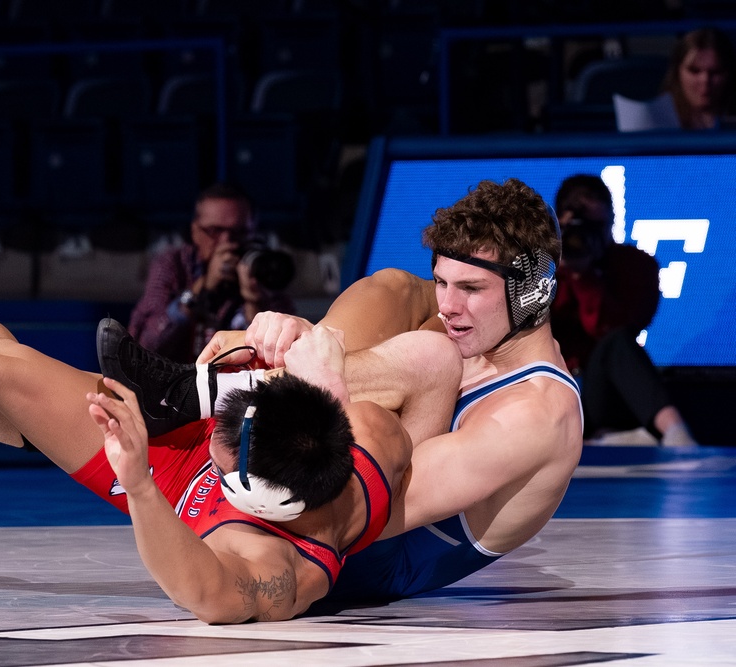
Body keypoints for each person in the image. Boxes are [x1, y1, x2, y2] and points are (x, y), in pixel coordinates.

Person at [0, 203, 451, 623]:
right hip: (292, 424)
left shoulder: (275, 567)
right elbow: (417, 342)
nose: (214, 438)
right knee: (390, 287)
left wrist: (144, 487)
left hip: (166, 487)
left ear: (256, 495)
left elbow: (204, 595)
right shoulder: (362, 433)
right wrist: (305, 348)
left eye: (223, 438)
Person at [106, 178, 585, 603]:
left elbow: (381, 508)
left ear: (532, 291)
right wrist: (304, 338)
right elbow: (397, 305)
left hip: (364, 547)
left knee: (429, 357)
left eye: (471, 289)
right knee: (394, 288)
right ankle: (234, 386)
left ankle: (227, 390)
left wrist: (327, 389)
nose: (449, 305)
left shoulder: (536, 413)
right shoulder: (483, 328)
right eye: (442, 281)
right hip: (335, 465)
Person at [550, 174, 697, 446]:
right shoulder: (542, 268)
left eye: (598, 227)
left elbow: (620, 328)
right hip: (551, 395)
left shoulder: (634, 265)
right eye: (579, 228)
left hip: (607, 393)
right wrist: (556, 266)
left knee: (617, 341)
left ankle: (676, 434)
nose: (590, 236)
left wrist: (586, 279)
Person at [128, 182, 296, 362]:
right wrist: (201, 289)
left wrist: (254, 302)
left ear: (253, 231)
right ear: (195, 231)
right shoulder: (174, 264)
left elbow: (285, 357)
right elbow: (145, 345)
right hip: (177, 380)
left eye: (239, 232)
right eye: (215, 231)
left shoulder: (265, 268)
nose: (227, 241)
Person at [662, 27, 736, 130]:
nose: (705, 80)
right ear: (677, 72)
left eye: (715, 72)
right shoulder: (655, 120)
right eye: (694, 70)